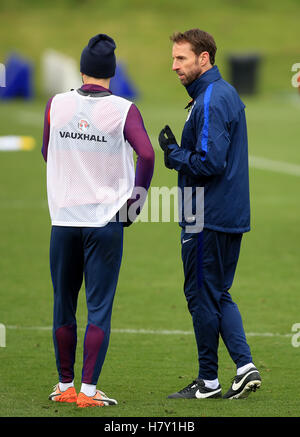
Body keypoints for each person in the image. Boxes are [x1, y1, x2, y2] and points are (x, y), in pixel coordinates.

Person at [42, 34, 155, 407]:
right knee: (99, 307)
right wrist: (134, 204)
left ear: (81, 68)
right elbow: (148, 155)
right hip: (105, 221)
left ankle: (64, 385)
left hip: (64, 220)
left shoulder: (56, 105)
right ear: (113, 72)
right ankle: (88, 392)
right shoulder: (124, 109)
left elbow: (47, 151)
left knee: (63, 304)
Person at [158, 29, 261, 400]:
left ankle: (208, 382)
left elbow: (209, 162)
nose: (174, 66)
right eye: (173, 58)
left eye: (181, 58)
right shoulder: (219, 94)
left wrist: (173, 155)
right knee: (216, 293)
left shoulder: (213, 99)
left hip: (207, 214)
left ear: (204, 58)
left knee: (202, 295)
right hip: (223, 212)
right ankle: (244, 366)